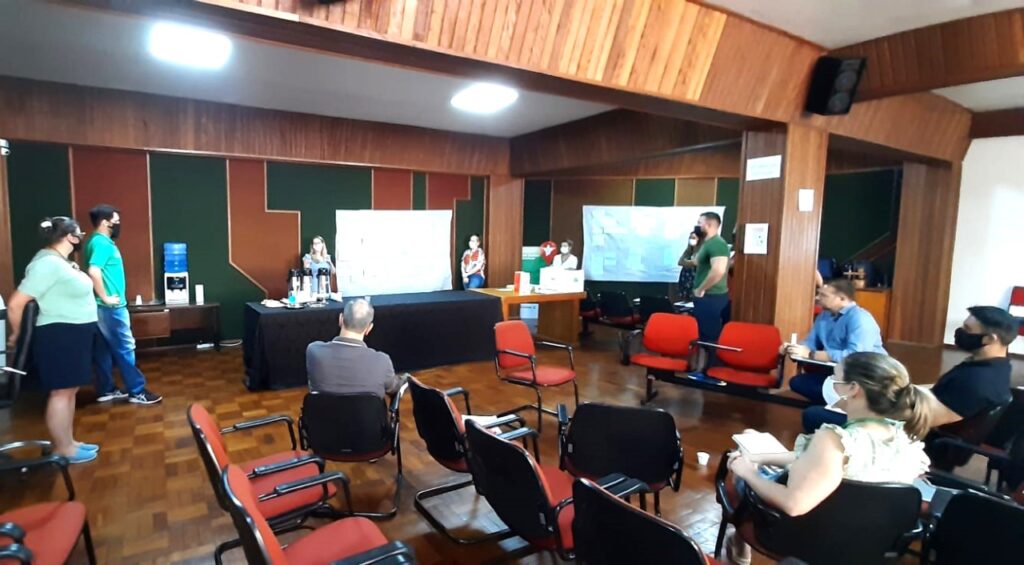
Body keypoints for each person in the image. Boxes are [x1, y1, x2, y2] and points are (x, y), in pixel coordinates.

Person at [723, 352, 931, 564]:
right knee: (752, 445)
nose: (831, 383)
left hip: (802, 541)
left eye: (835, 377)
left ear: (853, 389)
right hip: (869, 548)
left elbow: (794, 504)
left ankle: (740, 549)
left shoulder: (835, 439)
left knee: (737, 475)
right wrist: (760, 457)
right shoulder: (907, 441)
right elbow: (820, 463)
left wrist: (748, 473)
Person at [803, 306, 1017, 433]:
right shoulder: (991, 366)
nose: (961, 332)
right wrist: (898, 389)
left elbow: (923, 419)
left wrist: (867, 406)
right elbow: (940, 391)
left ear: (989, 339)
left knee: (814, 414)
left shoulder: (977, 383)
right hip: (910, 410)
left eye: (968, 329)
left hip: (910, 434)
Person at [6, 217, 101, 463]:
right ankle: (62, 449)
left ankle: (69, 442)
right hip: (59, 335)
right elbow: (16, 304)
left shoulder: (60, 262)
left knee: (70, 390)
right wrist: (17, 335)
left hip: (74, 334)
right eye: (79, 234)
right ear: (70, 237)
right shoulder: (46, 264)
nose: (81, 238)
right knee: (61, 392)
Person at [86, 204, 162, 405]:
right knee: (125, 349)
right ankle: (137, 391)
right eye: (116, 222)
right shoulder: (102, 244)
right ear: (105, 222)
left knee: (103, 350)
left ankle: (106, 389)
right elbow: (93, 271)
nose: (118, 225)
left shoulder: (95, 241)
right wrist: (106, 297)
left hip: (100, 308)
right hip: (111, 308)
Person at [786, 278, 885, 405]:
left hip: (863, 376)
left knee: (819, 391)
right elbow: (811, 342)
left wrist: (812, 354)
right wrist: (795, 349)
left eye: (824, 295)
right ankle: (835, 406)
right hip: (835, 371)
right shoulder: (824, 316)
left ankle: (843, 406)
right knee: (797, 382)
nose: (817, 298)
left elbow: (856, 357)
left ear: (842, 299)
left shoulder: (860, 318)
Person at [306, 298, 406, 398]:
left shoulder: (314, 351)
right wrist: (405, 378)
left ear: (341, 319)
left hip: (323, 408)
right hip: (368, 409)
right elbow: (394, 388)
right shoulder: (382, 361)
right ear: (369, 328)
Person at [691, 212, 730, 343]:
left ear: (708, 225)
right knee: (702, 334)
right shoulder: (707, 243)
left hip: (711, 296)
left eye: (699, 223)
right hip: (705, 296)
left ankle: (711, 357)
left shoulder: (717, 244)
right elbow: (696, 261)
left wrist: (701, 289)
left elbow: (718, 270)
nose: (697, 226)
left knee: (709, 337)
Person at [676, 228, 702, 302]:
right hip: (685, 280)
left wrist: (687, 262)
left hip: (695, 280)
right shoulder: (688, 251)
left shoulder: (702, 251)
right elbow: (680, 262)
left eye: (693, 238)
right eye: (690, 238)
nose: (691, 240)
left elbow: (696, 262)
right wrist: (690, 262)